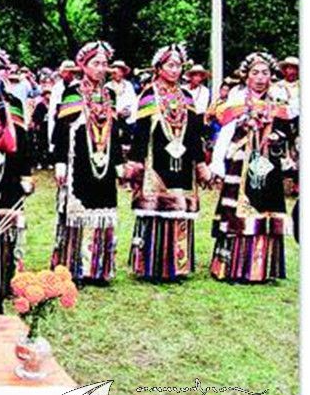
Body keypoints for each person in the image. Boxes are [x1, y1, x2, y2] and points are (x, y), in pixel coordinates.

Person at [210, 52, 297, 283]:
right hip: (241, 162)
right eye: (255, 73)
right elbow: (225, 133)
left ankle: (261, 268)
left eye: (265, 73)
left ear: (271, 76)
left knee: (265, 208)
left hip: (268, 163)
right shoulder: (237, 99)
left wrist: (276, 136)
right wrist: (217, 162)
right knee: (237, 209)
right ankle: (232, 267)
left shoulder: (278, 101)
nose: (260, 78)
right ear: (246, 76)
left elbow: (288, 130)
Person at [126, 45, 210, 282]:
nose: (175, 70)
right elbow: (140, 133)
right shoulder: (149, 95)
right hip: (156, 163)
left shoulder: (187, 97)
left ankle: (178, 266)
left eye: (178, 66)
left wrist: (201, 164)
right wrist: (135, 163)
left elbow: (194, 134)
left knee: (179, 210)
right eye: (170, 65)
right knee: (155, 211)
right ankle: (151, 266)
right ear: (159, 68)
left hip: (183, 165)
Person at [50, 41, 124, 285]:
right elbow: (61, 130)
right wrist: (59, 161)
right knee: (77, 212)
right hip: (78, 161)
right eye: (96, 63)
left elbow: (114, 132)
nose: (101, 68)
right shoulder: (72, 93)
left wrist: (119, 162)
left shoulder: (110, 95)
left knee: (103, 210)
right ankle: (74, 268)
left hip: (104, 162)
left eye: (104, 64)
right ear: (83, 65)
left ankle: (99, 269)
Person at [0, 47, 34, 312]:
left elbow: (22, 141)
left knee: (8, 227)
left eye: (1, 69)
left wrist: (25, 173)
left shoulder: (14, 102)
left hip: (10, 173)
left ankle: (7, 275)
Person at [47, 60, 80, 157]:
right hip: (60, 122)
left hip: (76, 120)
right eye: (64, 71)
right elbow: (53, 108)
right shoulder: (57, 87)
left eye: (69, 72)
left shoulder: (79, 86)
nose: (66, 74)